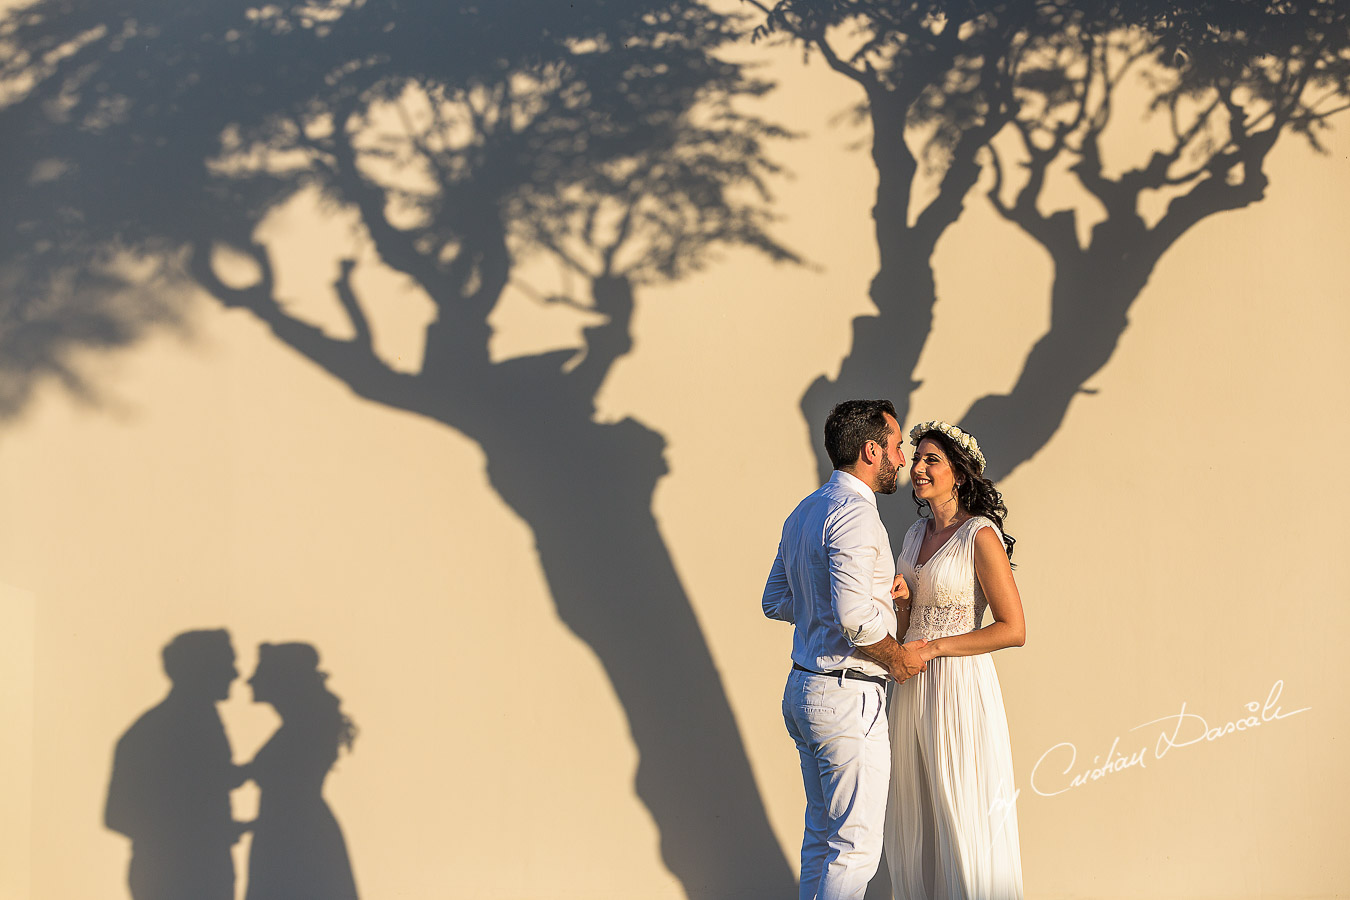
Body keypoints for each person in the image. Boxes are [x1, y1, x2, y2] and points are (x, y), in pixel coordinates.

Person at [763, 399, 930, 900]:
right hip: (846, 697)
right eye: (898, 447)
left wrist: (866, 598)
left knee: (822, 842)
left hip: (804, 690)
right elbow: (856, 621)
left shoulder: (805, 510)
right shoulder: (857, 515)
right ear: (871, 450)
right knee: (854, 850)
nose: (903, 460)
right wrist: (899, 659)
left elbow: (777, 600)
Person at [884, 421, 1026, 900]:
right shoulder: (912, 534)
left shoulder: (979, 535)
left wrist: (938, 647)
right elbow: (905, 628)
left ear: (959, 475)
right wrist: (902, 605)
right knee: (915, 814)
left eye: (931, 461)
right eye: (917, 458)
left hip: (959, 686)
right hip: (912, 687)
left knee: (961, 812)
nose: (918, 468)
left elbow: (1014, 628)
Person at [105, 629, 248, 900]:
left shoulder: (200, 722)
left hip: (204, 872)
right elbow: (117, 814)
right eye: (226, 664)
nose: (235, 674)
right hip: (174, 879)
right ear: (200, 670)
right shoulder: (155, 730)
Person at [241, 642, 360, 900]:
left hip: (295, 841)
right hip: (291, 835)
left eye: (259, 673)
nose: (249, 682)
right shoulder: (303, 728)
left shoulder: (301, 731)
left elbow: (285, 791)